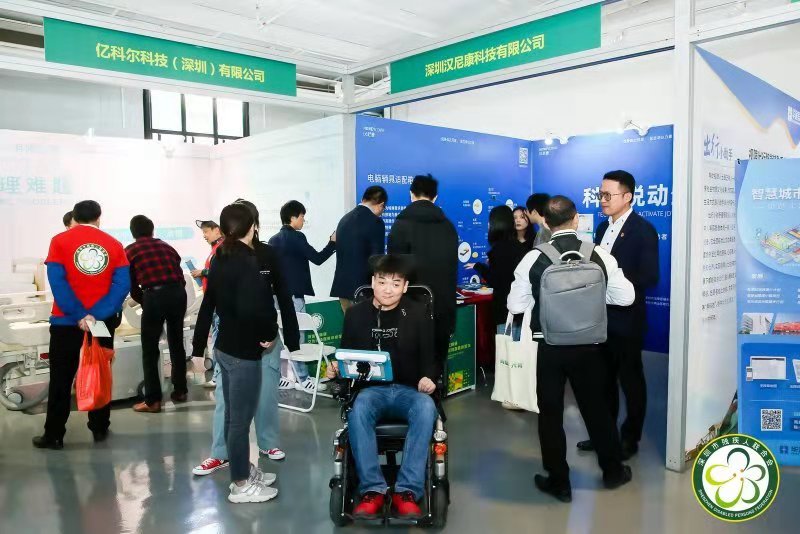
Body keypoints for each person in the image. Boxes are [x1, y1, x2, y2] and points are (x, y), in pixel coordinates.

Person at [508, 195, 635, 502]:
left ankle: (559, 482)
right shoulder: (598, 254)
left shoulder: (533, 259)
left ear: (545, 223)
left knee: (550, 414)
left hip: (549, 347)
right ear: (576, 219)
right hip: (590, 347)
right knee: (597, 409)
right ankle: (613, 470)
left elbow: (516, 305)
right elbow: (626, 297)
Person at [192, 199, 301, 475]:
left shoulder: (268, 254)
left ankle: (268, 443)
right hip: (232, 340)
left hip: (266, 339)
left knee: (266, 394)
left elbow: (283, 296)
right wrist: (198, 347)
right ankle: (221, 453)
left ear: (254, 225)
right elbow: (209, 301)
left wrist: (290, 338)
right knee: (226, 401)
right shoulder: (223, 256)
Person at [326, 254, 438, 520]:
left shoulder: (418, 314)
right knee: (359, 407)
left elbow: (431, 357)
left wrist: (430, 377)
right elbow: (346, 355)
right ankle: (372, 490)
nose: (388, 289)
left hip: (409, 390)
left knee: (426, 407)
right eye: (382, 281)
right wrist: (336, 369)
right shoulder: (355, 315)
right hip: (371, 391)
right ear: (373, 282)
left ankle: (407, 491)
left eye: (396, 284)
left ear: (405, 287)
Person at [33, 200, 130, 450]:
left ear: (74, 218)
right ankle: (99, 425)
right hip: (100, 322)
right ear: (99, 218)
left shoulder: (59, 241)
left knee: (61, 376)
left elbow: (57, 282)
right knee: (100, 368)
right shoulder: (114, 244)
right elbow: (122, 285)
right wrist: (96, 314)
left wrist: (78, 314)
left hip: (66, 320)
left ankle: (54, 434)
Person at [576, 170, 660, 460]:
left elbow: (650, 276)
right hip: (600, 319)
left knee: (631, 381)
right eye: (600, 194)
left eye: (608, 195)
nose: (602, 199)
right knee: (603, 381)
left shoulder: (643, 230)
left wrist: (615, 281)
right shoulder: (602, 228)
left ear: (627, 197)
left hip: (627, 320)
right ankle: (605, 434)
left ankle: (630, 438)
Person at [388, 175, 458, 373]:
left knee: (409, 367)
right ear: (435, 197)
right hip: (442, 306)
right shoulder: (448, 226)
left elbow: (394, 269)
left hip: (409, 307)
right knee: (436, 366)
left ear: (411, 194)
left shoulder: (401, 225)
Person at [267, 200, 336, 394]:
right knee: (298, 337)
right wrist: (333, 243)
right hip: (293, 297)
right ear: (293, 217)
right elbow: (318, 258)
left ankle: (284, 378)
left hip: (276, 296)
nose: (303, 221)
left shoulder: (273, 239)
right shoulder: (297, 237)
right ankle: (304, 379)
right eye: (302, 217)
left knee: (281, 337)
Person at [124, 215, 188, 413]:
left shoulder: (130, 251)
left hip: (155, 294)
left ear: (133, 233)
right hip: (178, 293)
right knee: (176, 343)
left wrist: (146, 301)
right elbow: (179, 274)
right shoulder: (167, 246)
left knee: (150, 349)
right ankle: (180, 391)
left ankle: (153, 401)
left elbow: (131, 285)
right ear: (152, 230)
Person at [466, 205, 528, 332]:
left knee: (505, 343)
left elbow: (496, 280)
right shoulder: (518, 246)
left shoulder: (498, 250)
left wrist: (481, 268)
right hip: (521, 309)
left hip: (506, 311)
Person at [330, 186, 387, 312]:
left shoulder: (344, 219)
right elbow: (377, 260)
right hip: (364, 290)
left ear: (363, 199)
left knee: (350, 323)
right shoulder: (376, 222)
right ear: (381, 205)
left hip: (342, 287)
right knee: (368, 323)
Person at [192, 219, 223, 388]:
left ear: (217, 230)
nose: (204, 235)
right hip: (212, 300)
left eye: (206, 231)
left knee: (218, 338)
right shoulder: (214, 249)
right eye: (203, 232)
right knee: (216, 336)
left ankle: (218, 375)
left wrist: (203, 272)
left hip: (218, 301)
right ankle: (218, 374)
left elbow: (221, 272)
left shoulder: (222, 248)